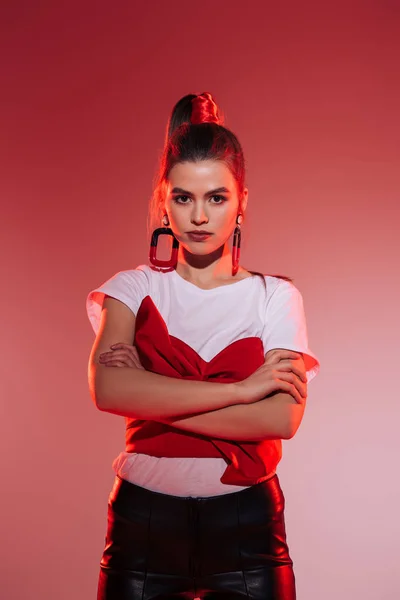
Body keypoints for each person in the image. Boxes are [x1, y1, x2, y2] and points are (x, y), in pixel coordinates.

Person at [86, 92, 320, 600]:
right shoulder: (131, 288)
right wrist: (243, 391)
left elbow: (281, 420)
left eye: (216, 197)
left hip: (247, 525)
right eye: (183, 197)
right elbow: (107, 388)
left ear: (241, 204)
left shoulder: (275, 296)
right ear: (163, 201)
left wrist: (149, 400)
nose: (198, 216)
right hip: (142, 523)